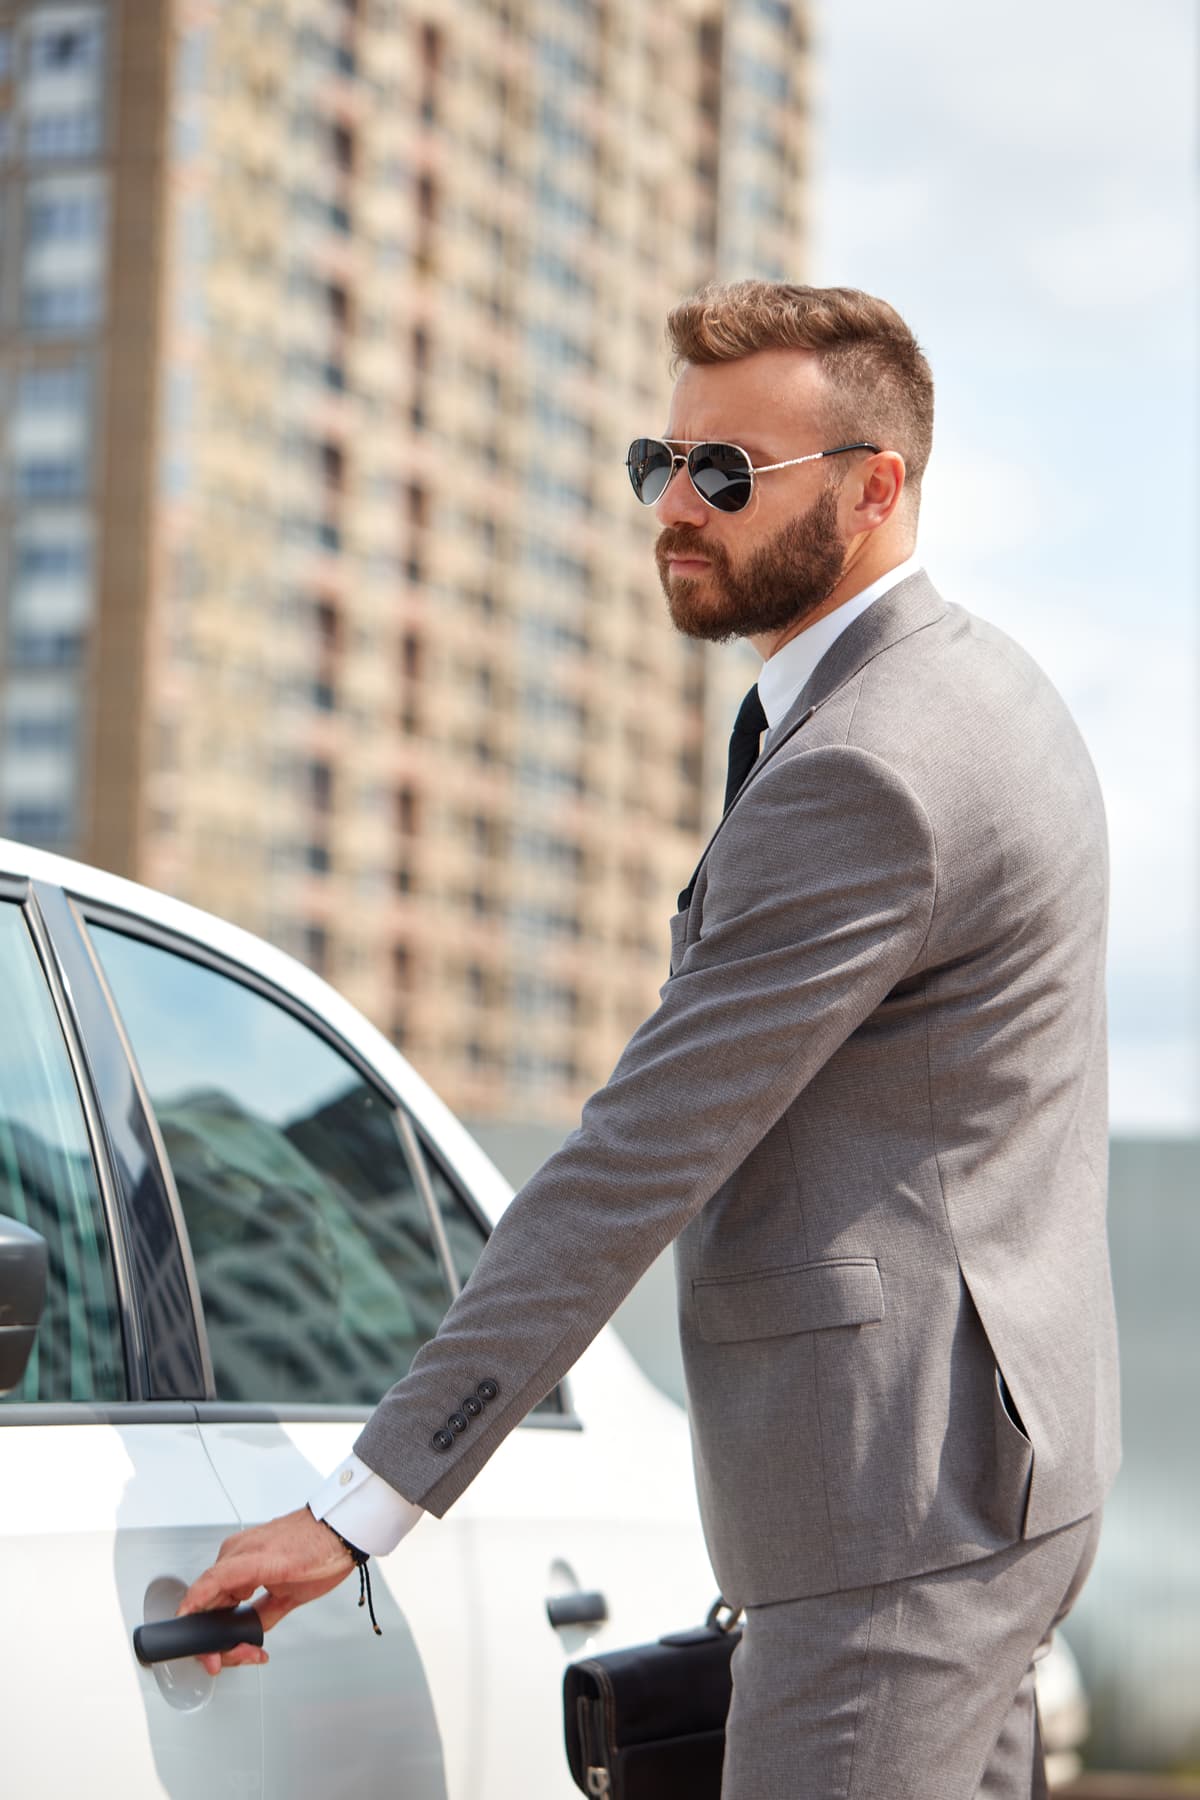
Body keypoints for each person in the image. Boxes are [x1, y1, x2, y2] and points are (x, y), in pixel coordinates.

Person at [180, 282, 1120, 1799]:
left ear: (876, 489)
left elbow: (633, 1162)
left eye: (727, 473)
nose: (675, 507)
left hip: (888, 1526)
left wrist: (361, 1508)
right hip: (1002, 1473)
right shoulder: (977, 684)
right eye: (659, 462)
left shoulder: (872, 768)